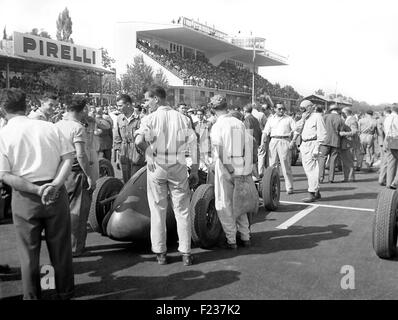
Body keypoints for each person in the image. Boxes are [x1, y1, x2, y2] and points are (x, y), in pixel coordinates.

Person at [0, 88, 74, 299]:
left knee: (29, 252)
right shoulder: (49, 127)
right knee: (60, 247)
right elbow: (69, 157)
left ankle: (33, 294)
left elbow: (4, 174)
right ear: (26, 105)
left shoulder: (4, 134)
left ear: (2, 109)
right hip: (55, 192)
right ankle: (63, 291)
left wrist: (36, 189)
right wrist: (56, 184)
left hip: (25, 196)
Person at [135, 85, 199, 266]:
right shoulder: (183, 118)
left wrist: (149, 153)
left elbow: (138, 140)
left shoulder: (150, 118)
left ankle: (160, 252)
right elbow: (194, 145)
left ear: (156, 98)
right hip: (177, 163)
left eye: (147, 99)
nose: (145, 103)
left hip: (157, 165)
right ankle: (186, 252)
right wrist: (194, 169)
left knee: (157, 210)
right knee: (182, 210)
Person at [209, 94, 254, 249]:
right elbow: (246, 145)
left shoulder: (217, 126)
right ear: (226, 106)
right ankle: (246, 236)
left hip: (226, 164)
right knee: (240, 202)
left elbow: (220, 150)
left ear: (213, 109)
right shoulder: (238, 122)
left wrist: (228, 168)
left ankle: (231, 240)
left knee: (224, 203)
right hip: (240, 162)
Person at [55, 96, 96, 257]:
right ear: (82, 109)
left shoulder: (56, 125)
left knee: (62, 210)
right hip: (75, 171)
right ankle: (75, 247)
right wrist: (90, 176)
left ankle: (62, 244)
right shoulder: (77, 128)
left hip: (59, 171)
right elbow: (81, 155)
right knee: (78, 211)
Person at [294, 100, 327, 203]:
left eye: (304, 108)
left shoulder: (317, 117)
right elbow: (296, 129)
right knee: (309, 170)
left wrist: (317, 147)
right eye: (301, 108)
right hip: (304, 144)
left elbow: (322, 133)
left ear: (310, 107)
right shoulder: (303, 118)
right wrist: (302, 119)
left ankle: (312, 193)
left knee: (312, 170)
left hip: (313, 144)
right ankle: (316, 191)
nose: (302, 110)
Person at [262, 103, 297, 194]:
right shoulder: (270, 119)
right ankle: (274, 186)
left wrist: (293, 141)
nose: (281, 110)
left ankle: (289, 187)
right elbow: (265, 131)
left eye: (283, 109)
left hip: (284, 141)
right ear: (275, 109)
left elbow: (296, 131)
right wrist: (263, 142)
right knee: (272, 166)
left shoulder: (289, 119)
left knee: (285, 165)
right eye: (279, 109)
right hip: (273, 141)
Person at [114, 95, 145, 183]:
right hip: (124, 152)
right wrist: (117, 158)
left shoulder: (141, 118)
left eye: (120, 105)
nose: (118, 108)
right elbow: (117, 140)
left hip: (138, 152)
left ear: (128, 104)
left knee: (136, 180)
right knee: (126, 180)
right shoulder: (120, 118)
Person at [318, 104, 345, 183]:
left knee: (322, 159)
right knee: (333, 161)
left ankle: (320, 177)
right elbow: (341, 131)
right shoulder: (340, 119)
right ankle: (331, 179)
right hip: (335, 141)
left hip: (325, 141)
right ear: (338, 110)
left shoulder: (325, 117)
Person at [383, 105, 398, 189]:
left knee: (391, 164)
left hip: (388, 140)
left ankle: (389, 183)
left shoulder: (387, 118)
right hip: (396, 140)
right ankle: (395, 182)